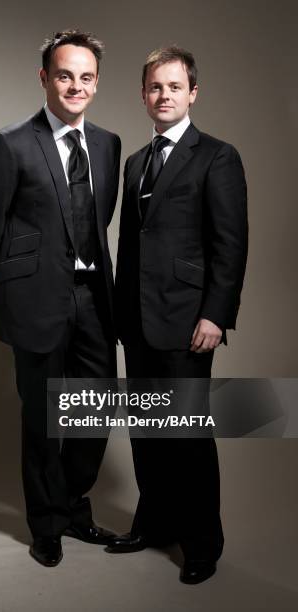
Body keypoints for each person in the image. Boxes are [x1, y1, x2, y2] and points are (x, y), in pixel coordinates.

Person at [0, 29, 121, 567]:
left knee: (94, 409)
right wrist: (13, 278)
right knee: (43, 418)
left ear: (96, 83)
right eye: (64, 75)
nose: (74, 86)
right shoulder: (9, 143)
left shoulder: (107, 145)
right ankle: (47, 524)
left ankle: (75, 506)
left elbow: (98, 221)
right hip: (35, 301)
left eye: (85, 77)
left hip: (94, 299)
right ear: (44, 79)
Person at [108, 46, 248, 584]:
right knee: (146, 430)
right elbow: (132, 243)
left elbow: (230, 245)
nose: (163, 96)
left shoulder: (217, 156)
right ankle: (153, 524)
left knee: (186, 437)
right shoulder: (135, 164)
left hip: (190, 320)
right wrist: (121, 314)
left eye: (173, 87)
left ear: (192, 93)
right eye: (153, 88)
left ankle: (202, 544)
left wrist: (216, 314)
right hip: (138, 321)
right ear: (143, 95)